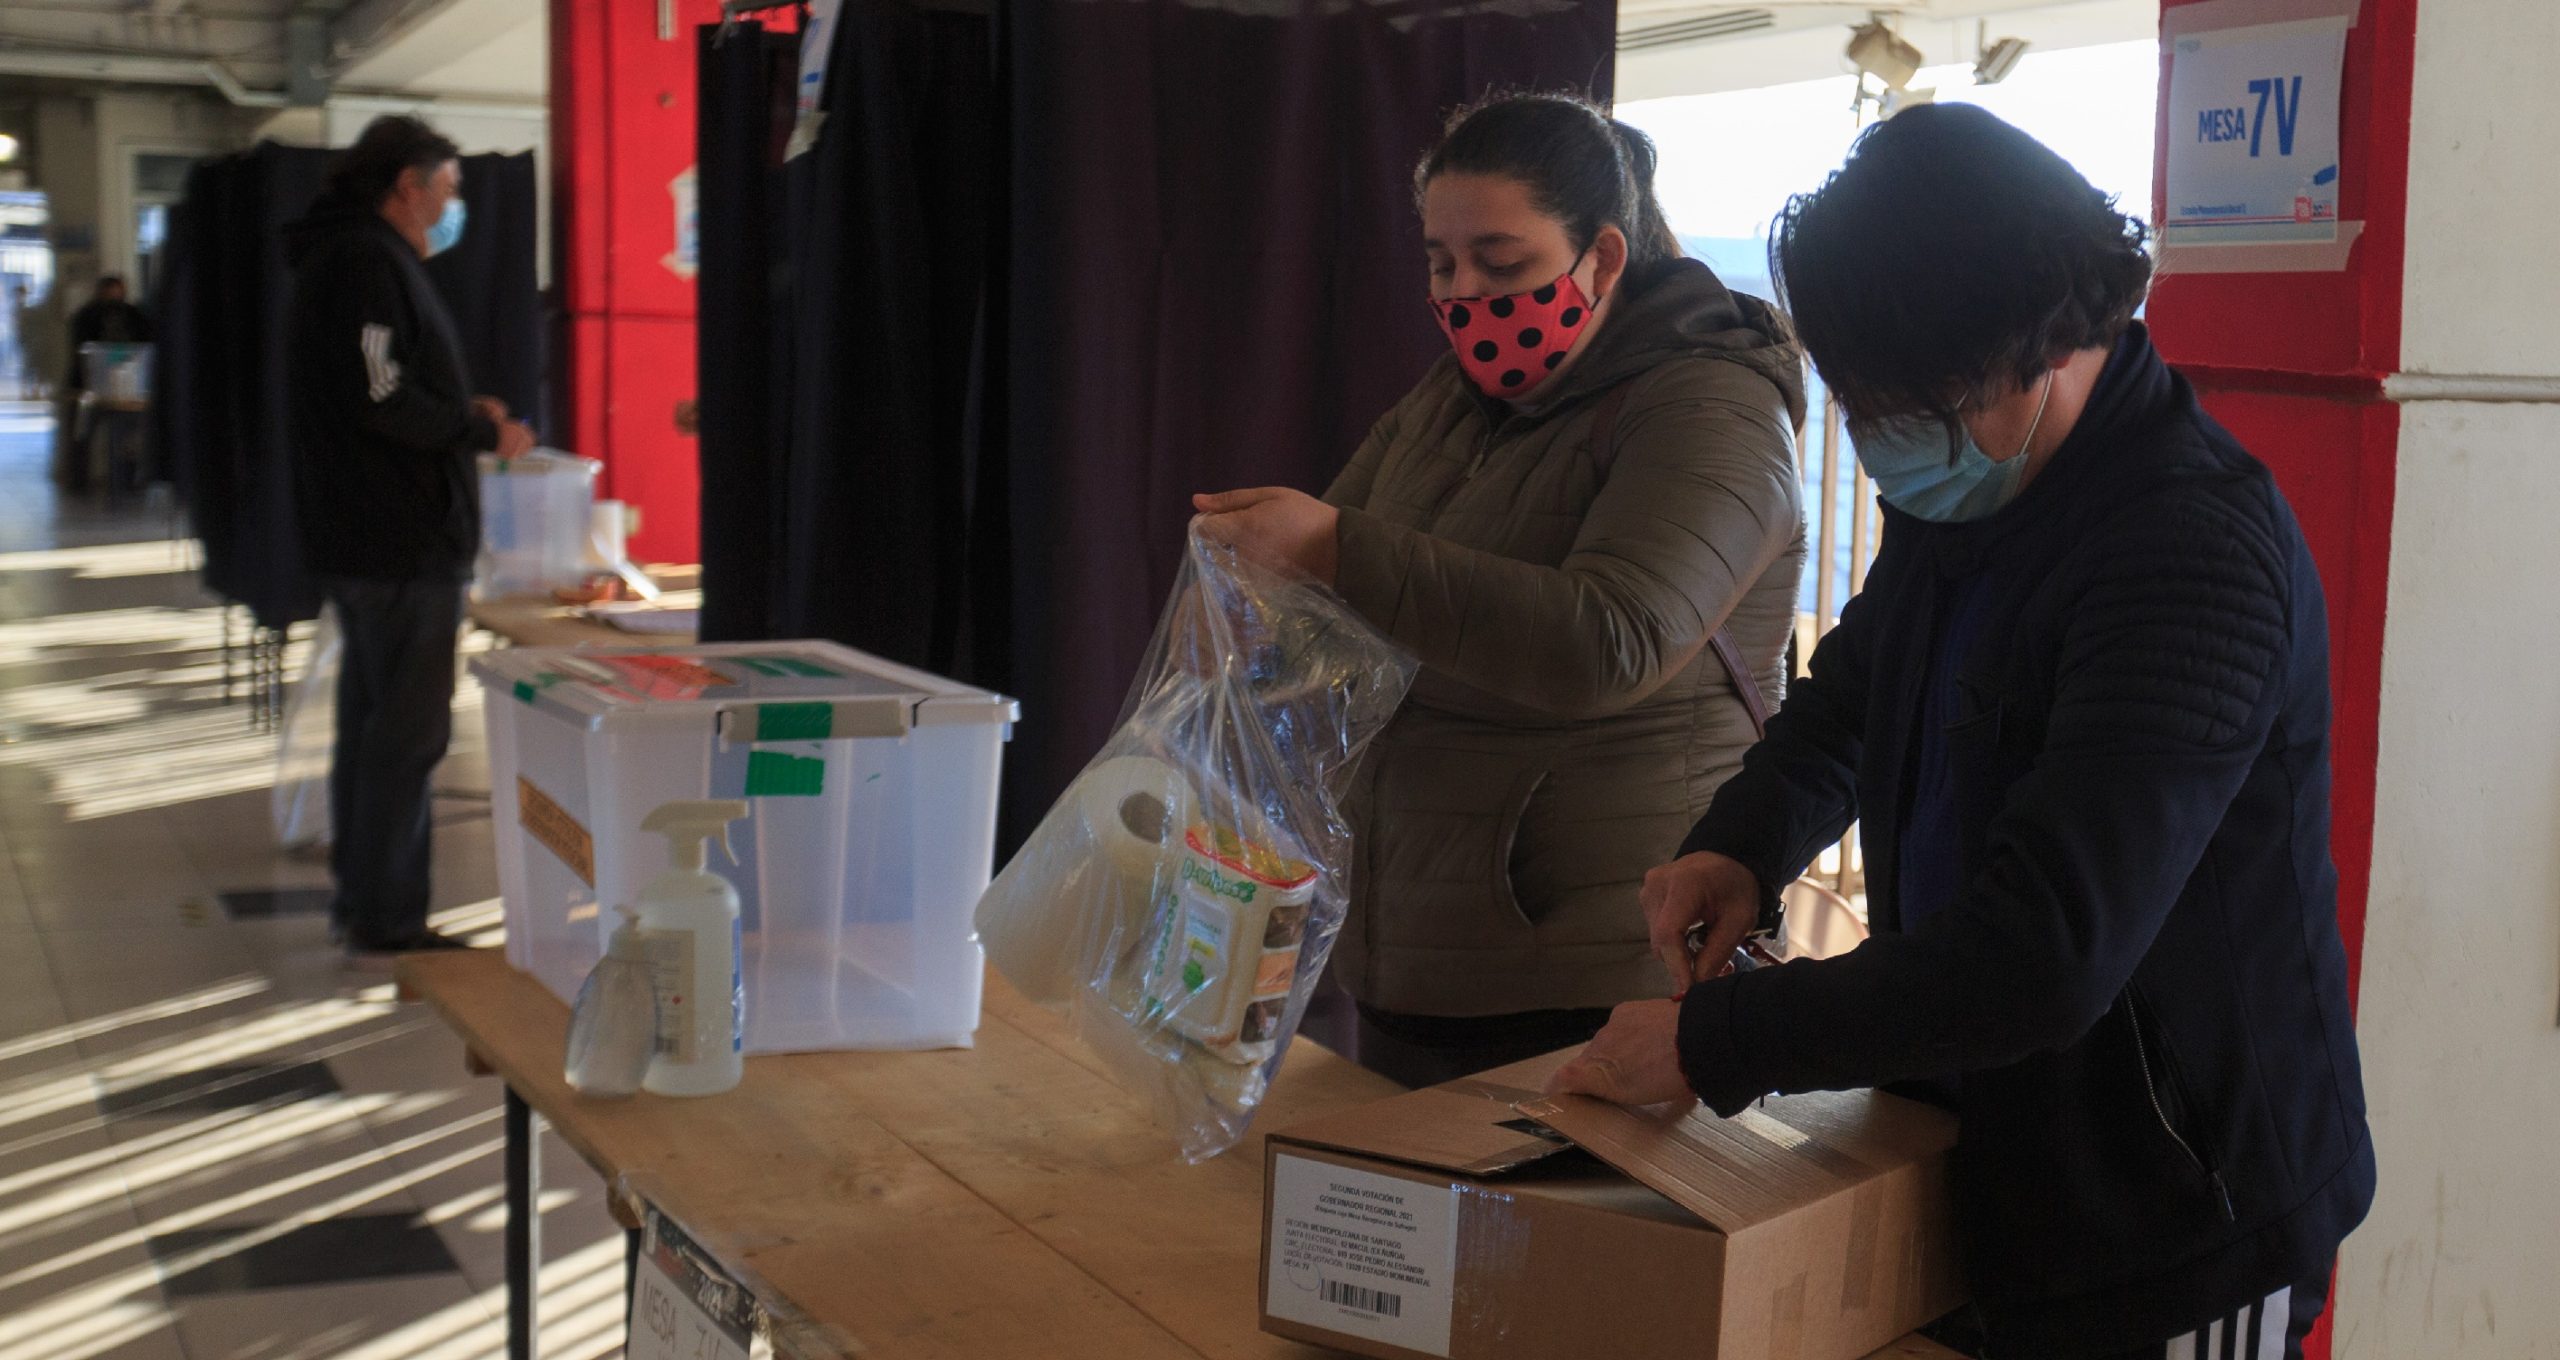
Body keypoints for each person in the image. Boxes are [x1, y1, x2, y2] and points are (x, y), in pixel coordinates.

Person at [1546, 106, 2374, 1360]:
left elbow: (2045, 952)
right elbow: (1855, 689)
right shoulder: (1975, 482)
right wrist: (1744, 841)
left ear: (2039, 348)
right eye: (1858, 403)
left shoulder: (2190, 553)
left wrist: (1718, 1042)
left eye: (1905, 406)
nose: (1881, 440)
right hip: (1983, 1153)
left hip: (2176, 1214)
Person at [1194, 93, 1807, 1087]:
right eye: (1442, 264)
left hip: (1593, 968)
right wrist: (1259, 599)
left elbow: (1611, 641)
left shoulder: (1712, 404)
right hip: (1418, 955)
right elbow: (1329, 594)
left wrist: (1333, 549)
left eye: (1502, 261)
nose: (1465, 293)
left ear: (1601, 258)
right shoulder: (1449, 401)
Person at [284, 115, 535, 956]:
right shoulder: (364, 261)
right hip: (397, 540)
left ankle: (366, 903)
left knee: (375, 730)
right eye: (449, 188)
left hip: (377, 534)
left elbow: (383, 382)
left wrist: (460, 410)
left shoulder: (360, 257)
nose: (455, 205)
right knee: (404, 736)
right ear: (406, 187)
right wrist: (476, 432)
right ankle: (387, 917)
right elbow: (378, 394)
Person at [67, 274, 153, 393]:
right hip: (93, 378)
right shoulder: (87, 316)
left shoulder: (135, 316)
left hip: (128, 377)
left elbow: (143, 347)